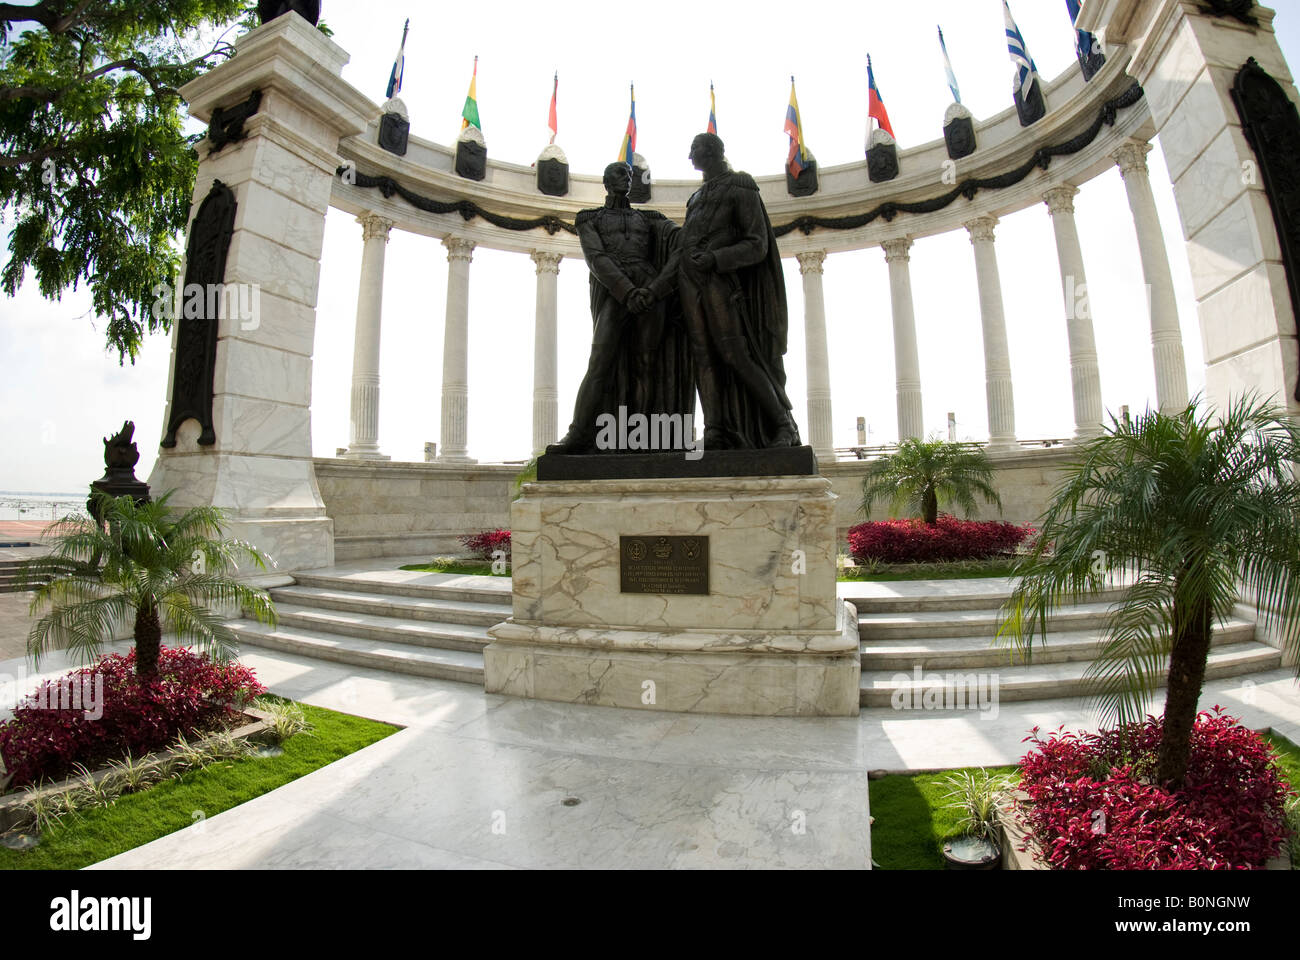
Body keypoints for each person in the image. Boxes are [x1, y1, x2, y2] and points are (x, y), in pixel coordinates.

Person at [547, 162, 693, 454]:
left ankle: (640, 437)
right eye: (618, 174)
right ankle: (579, 433)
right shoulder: (589, 218)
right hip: (617, 291)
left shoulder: (650, 218)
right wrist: (628, 293)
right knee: (600, 361)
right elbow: (596, 257)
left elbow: (682, 242)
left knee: (646, 364)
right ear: (605, 180)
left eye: (628, 175)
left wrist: (655, 289)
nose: (625, 179)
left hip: (649, 289)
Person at [678, 132, 801, 450]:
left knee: (737, 355)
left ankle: (782, 425)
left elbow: (757, 243)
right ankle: (715, 429)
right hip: (691, 284)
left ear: (712, 152)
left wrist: (717, 259)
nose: (690, 155)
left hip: (723, 283)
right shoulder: (694, 199)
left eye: (695, 149)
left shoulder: (741, 185)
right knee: (702, 358)